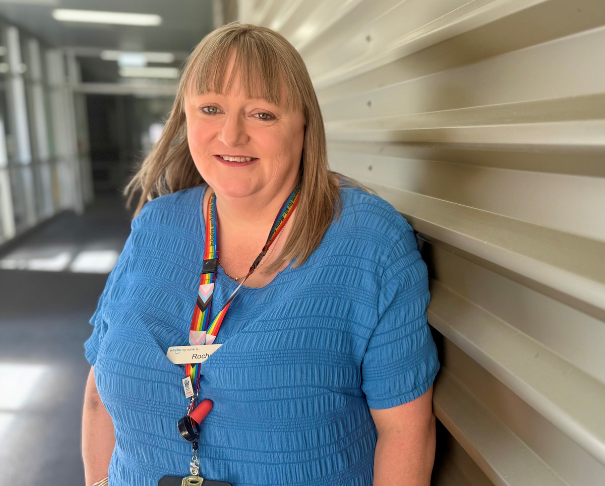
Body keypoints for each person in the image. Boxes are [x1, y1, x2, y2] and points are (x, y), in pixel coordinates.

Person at [81, 23, 439, 486]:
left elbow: (406, 432)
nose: (230, 135)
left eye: (262, 114)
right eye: (210, 108)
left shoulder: (370, 244)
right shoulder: (155, 226)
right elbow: (97, 396)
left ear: (304, 123)